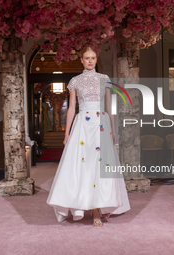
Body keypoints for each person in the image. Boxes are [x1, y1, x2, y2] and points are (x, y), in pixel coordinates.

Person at [46, 47, 130, 227]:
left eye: (93, 57)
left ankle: (102, 205)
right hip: (83, 125)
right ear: (81, 60)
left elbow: (109, 106)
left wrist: (114, 130)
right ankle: (92, 209)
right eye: (87, 58)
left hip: (102, 124)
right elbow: (71, 109)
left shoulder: (104, 79)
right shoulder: (75, 81)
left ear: (96, 59)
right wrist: (66, 133)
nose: (90, 61)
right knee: (85, 165)